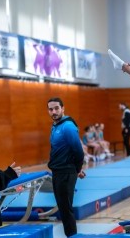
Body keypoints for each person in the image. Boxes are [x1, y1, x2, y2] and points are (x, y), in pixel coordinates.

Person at [47, 97, 86, 237]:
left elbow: (78, 151)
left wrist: (76, 170)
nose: (54, 112)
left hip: (65, 173)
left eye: (57, 108)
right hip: (58, 172)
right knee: (63, 209)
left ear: (63, 109)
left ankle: (71, 235)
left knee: (65, 209)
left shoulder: (67, 126)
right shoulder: (55, 126)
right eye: (51, 109)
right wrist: (78, 170)